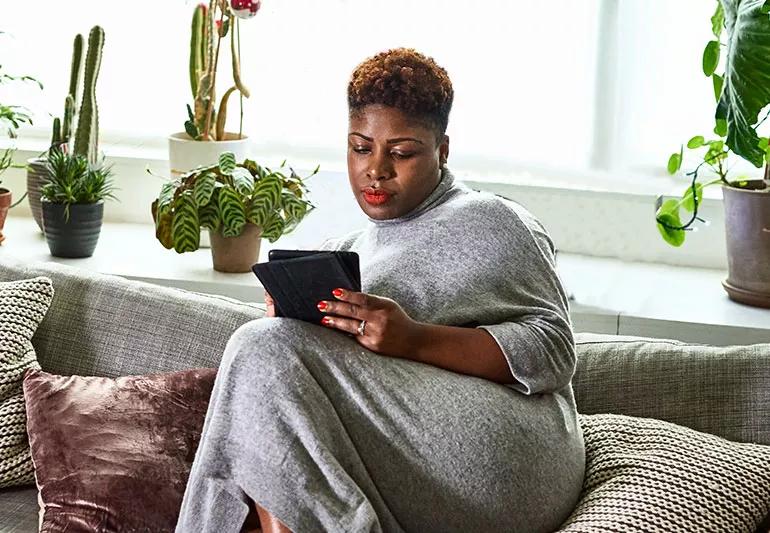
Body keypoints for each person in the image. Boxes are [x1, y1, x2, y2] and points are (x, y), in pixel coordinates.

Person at [176, 47, 585, 533]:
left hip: (517, 463)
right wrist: (298, 330)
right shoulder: (342, 251)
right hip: (412, 462)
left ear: (443, 151)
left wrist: (411, 338)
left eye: (402, 152)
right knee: (264, 354)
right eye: (361, 147)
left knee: (257, 348)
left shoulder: (491, 219)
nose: (376, 170)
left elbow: (555, 351)